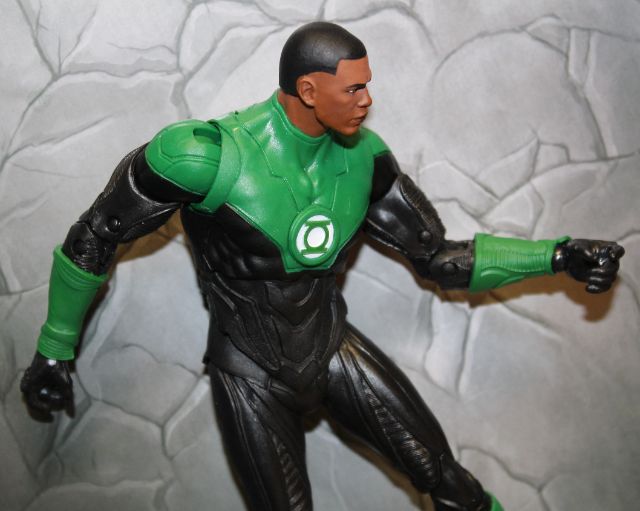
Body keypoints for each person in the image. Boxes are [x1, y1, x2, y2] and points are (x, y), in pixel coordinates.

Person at [20, 22, 623, 511]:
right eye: (353, 90)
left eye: (367, 87)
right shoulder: (202, 156)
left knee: (452, 485)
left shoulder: (365, 161)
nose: (367, 101)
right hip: (250, 370)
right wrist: (55, 348)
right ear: (309, 90)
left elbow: (439, 258)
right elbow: (95, 236)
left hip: (332, 350)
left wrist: (560, 255)